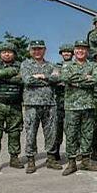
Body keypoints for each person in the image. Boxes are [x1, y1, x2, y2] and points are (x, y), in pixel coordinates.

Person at [20, 40, 62, 173]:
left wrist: (42, 77)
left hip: (49, 103)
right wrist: (47, 81)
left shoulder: (51, 65)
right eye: (34, 49)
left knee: (51, 132)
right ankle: (31, 160)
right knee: (31, 132)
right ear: (30, 51)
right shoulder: (26, 64)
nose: (37, 52)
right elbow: (27, 80)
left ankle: (50, 158)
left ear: (44, 50)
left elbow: (57, 78)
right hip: (31, 104)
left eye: (40, 49)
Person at [60, 40, 97, 175]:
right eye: (78, 49)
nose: (80, 51)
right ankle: (71, 162)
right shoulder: (67, 65)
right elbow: (65, 78)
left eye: (83, 49)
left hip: (88, 105)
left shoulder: (93, 65)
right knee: (71, 134)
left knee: (87, 134)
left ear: (87, 51)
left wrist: (76, 81)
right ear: (74, 51)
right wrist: (85, 79)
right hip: (72, 106)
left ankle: (85, 161)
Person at [0, 43, 24, 172]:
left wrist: (4, 77)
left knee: (14, 132)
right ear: (0, 54)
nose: (7, 54)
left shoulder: (21, 66)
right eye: (4, 52)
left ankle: (14, 158)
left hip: (15, 105)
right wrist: (12, 73)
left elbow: (22, 80)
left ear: (14, 53)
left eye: (9, 52)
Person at [52, 43, 74, 161]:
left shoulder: (76, 65)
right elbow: (54, 79)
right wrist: (67, 80)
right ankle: (56, 151)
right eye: (64, 52)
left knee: (72, 128)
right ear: (61, 54)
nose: (66, 54)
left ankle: (74, 152)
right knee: (57, 128)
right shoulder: (57, 66)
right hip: (59, 101)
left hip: (73, 101)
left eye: (69, 52)